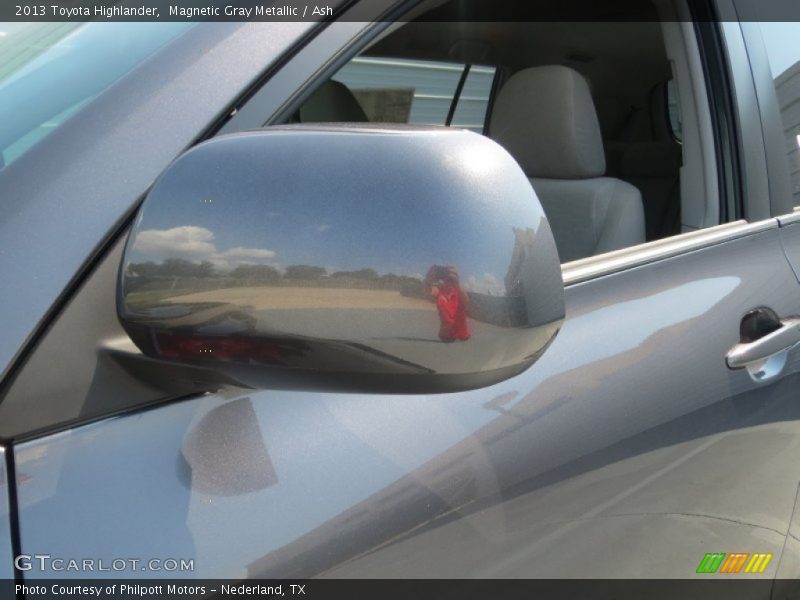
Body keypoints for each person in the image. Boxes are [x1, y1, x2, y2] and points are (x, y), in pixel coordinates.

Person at [424, 265, 470, 342]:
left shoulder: (459, 292)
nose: (447, 281)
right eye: (445, 278)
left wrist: (457, 284)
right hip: (444, 336)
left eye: (450, 279)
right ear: (441, 279)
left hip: (461, 337)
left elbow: (466, 301)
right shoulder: (439, 291)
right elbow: (428, 294)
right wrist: (428, 280)